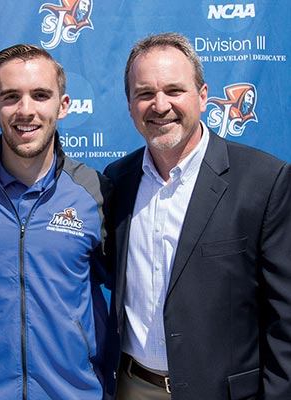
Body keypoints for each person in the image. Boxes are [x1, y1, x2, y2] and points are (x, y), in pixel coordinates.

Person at [103, 32, 291, 399]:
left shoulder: (264, 181)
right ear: (129, 106)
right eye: (145, 94)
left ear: (203, 96)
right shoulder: (117, 181)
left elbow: (286, 318)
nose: (160, 105)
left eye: (174, 90)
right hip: (132, 387)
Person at [0, 44, 110, 399]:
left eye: (40, 95)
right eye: (11, 96)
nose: (26, 110)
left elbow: (128, 290)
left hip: (74, 393)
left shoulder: (94, 190)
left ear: (63, 105)